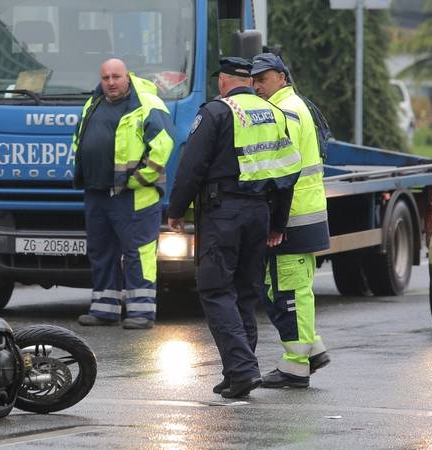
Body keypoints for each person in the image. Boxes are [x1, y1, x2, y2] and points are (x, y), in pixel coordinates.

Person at [167, 57, 301, 398]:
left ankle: (242, 369)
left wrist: (177, 209)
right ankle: (237, 372)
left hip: (222, 213)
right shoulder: (273, 113)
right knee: (244, 292)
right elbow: (286, 174)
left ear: (223, 81)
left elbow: (192, 166)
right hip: (259, 214)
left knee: (215, 289)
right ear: (251, 81)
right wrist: (278, 222)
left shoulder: (215, 112)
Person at [73, 58, 174, 330]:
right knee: (101, 251)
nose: (111, 82)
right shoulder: (93, 103)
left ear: (128, 76)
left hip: (134, 195)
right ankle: (104, 309)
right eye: (106, 77)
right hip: (98, 192)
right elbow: (80, 138)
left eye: (116, 77)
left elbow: (162, 146)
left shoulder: (148, 105)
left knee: (138, 253)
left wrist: (139, 179)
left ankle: (141, 312)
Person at [250, 52, 331, 388]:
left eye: (263, 79)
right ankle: (312, 350)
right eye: (254, 80)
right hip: (303, 214)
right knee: (295, 289)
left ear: (282, 77)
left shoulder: (285, 112)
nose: (257, 86)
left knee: (285, 291)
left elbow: (282, 170)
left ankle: (296, 366)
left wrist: (274, 221)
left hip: (293, 216)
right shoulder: (296, 106)